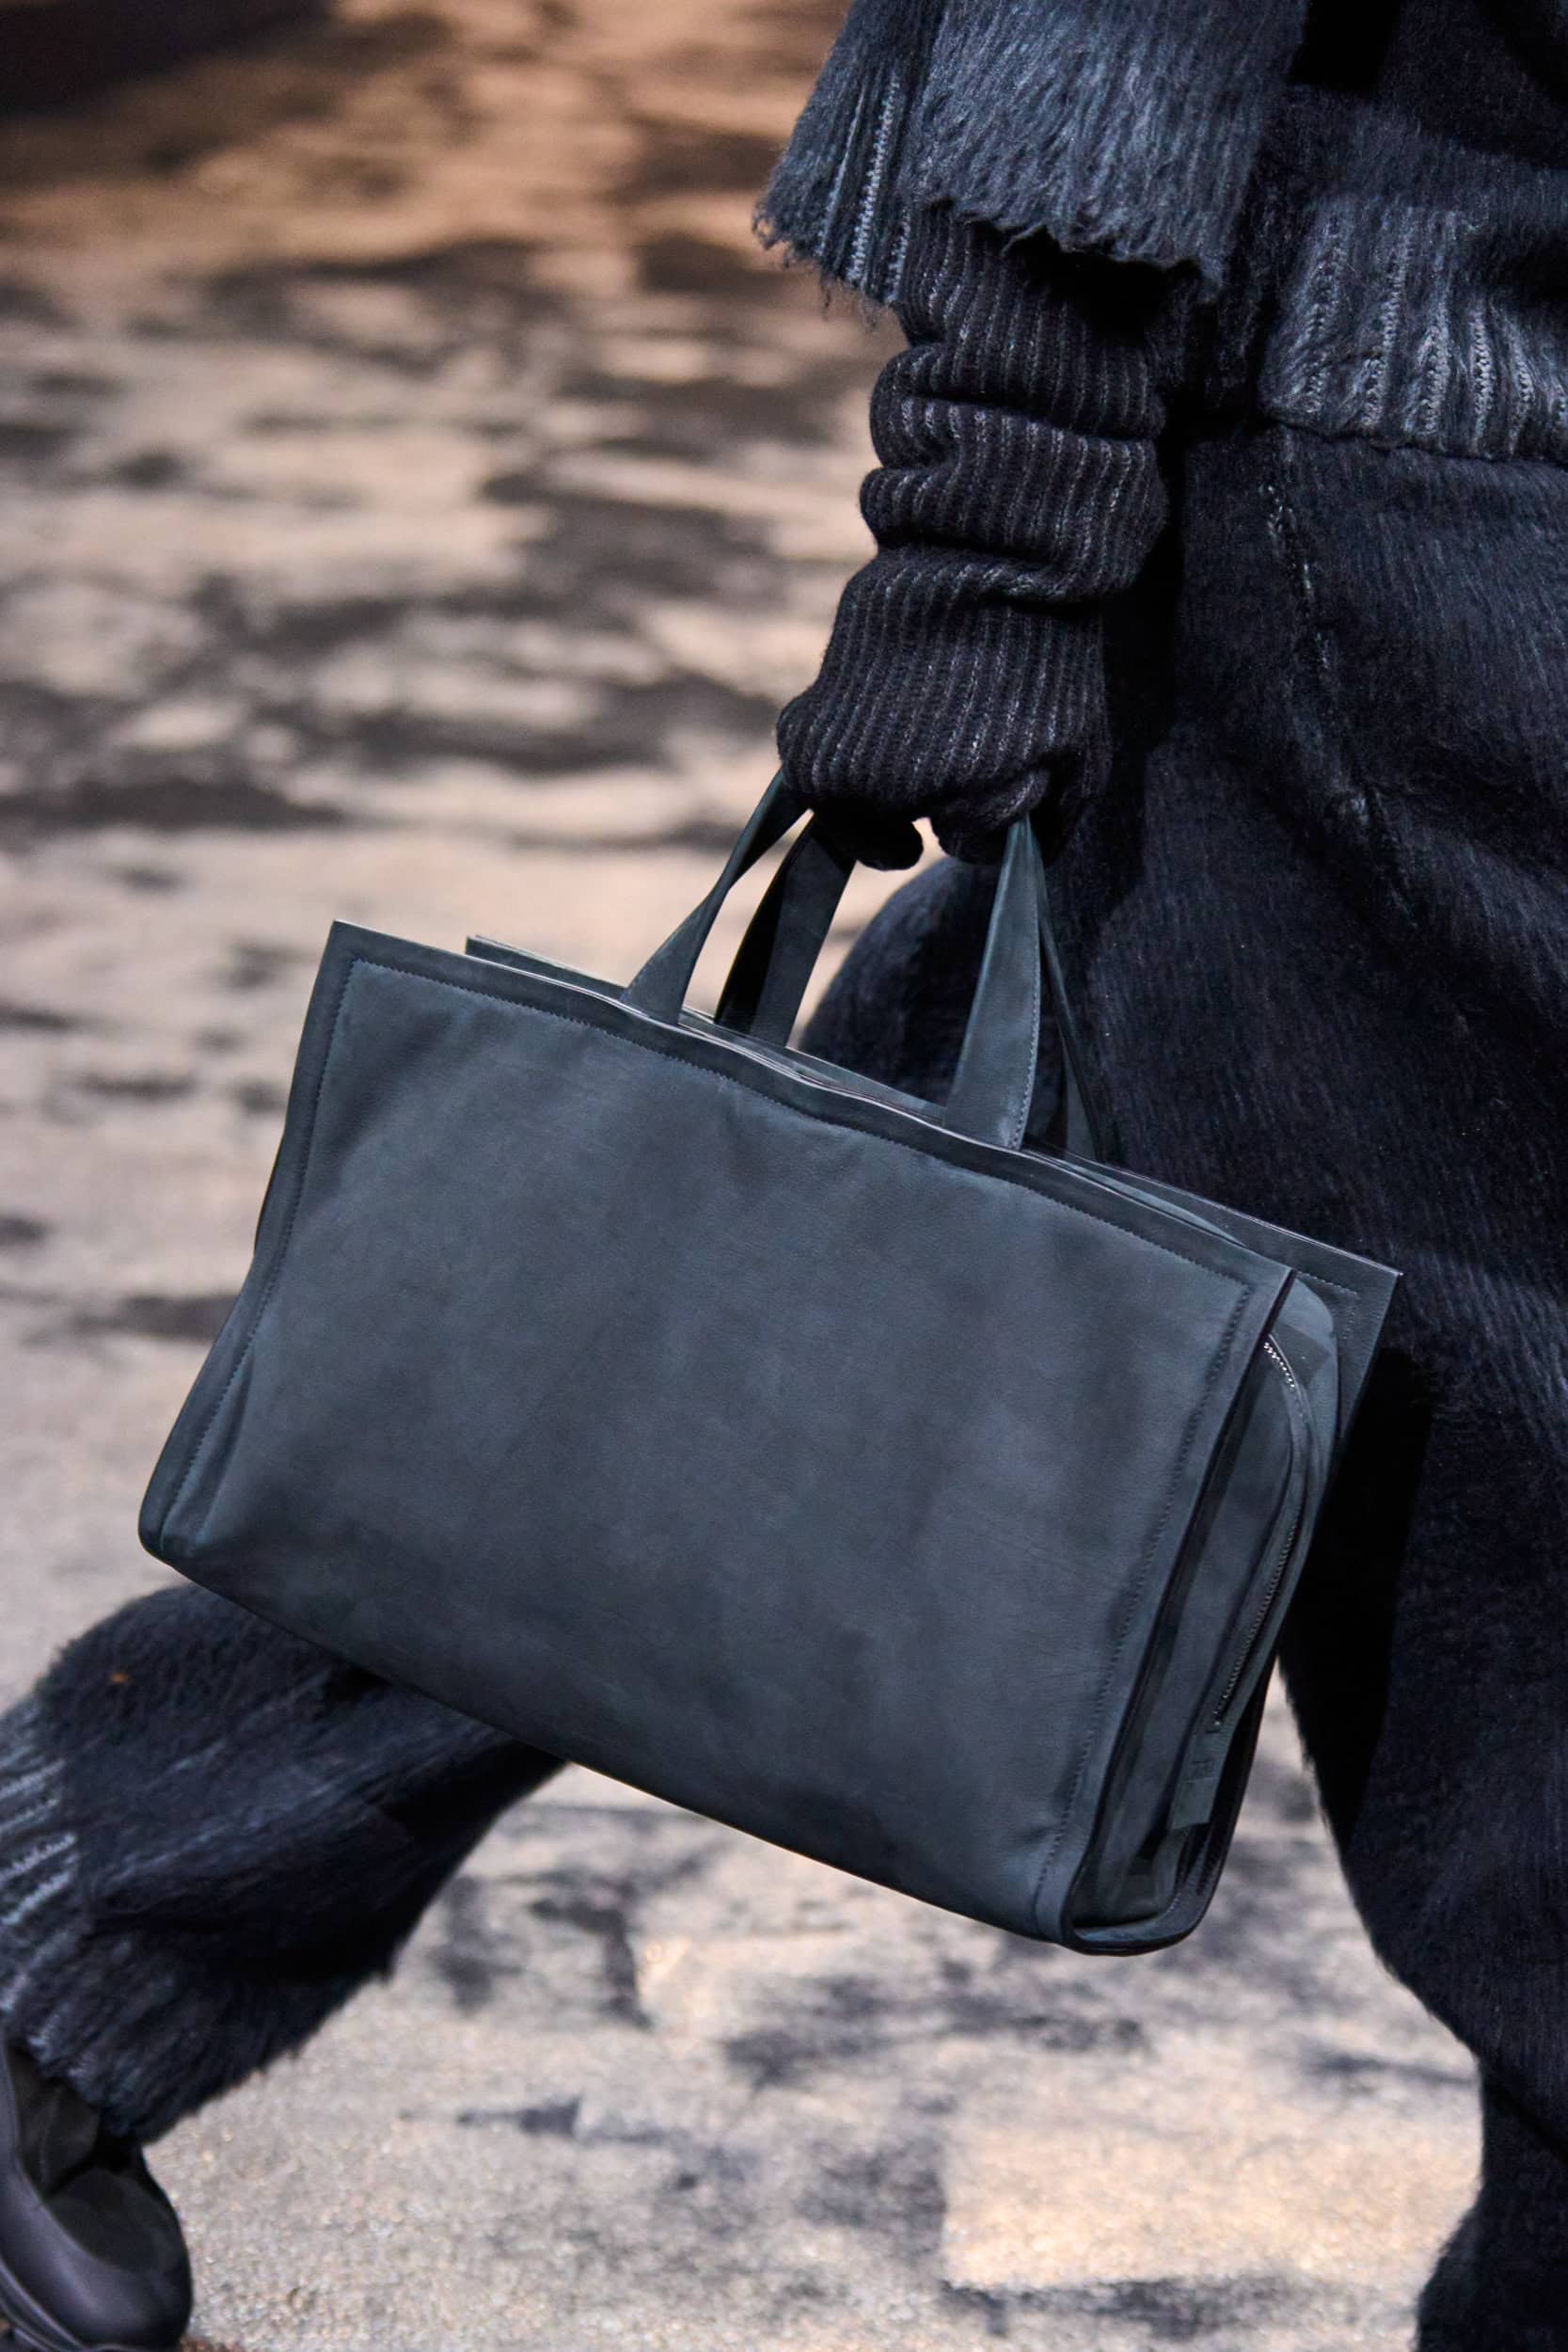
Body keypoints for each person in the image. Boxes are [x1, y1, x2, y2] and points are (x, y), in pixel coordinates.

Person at [1, 0, 1564, 2344]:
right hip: (1401, 430)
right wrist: (1004, 490)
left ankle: (64, 1929)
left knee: (795, 1260)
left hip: (1427, 417)